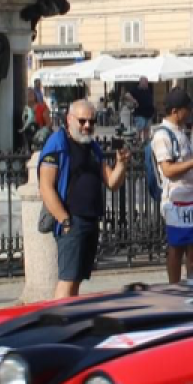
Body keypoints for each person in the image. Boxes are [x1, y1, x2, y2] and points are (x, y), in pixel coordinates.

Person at [38, 99, 129, 298]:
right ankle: (60, 321)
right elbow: (45, 186)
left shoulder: (93, 147)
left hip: (90, 219)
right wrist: (64, 219)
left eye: (91, 121)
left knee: (77, 279)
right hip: (72, 219)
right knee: (67, 279)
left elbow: (112, 182)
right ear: (69, 119)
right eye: (82, 121)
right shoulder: (58, 143)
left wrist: (121, 164)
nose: (87, 126)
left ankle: (71, 318)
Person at [152, 90, 193, 283]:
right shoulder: (162, 136)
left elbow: (182, 164)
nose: (190, 112)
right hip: (176, 200)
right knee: (178, 246)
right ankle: (175, 287)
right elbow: (168, 170)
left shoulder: (179, 131)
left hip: (189, 198)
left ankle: (191, 282)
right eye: (186, 109)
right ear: (175, 111)